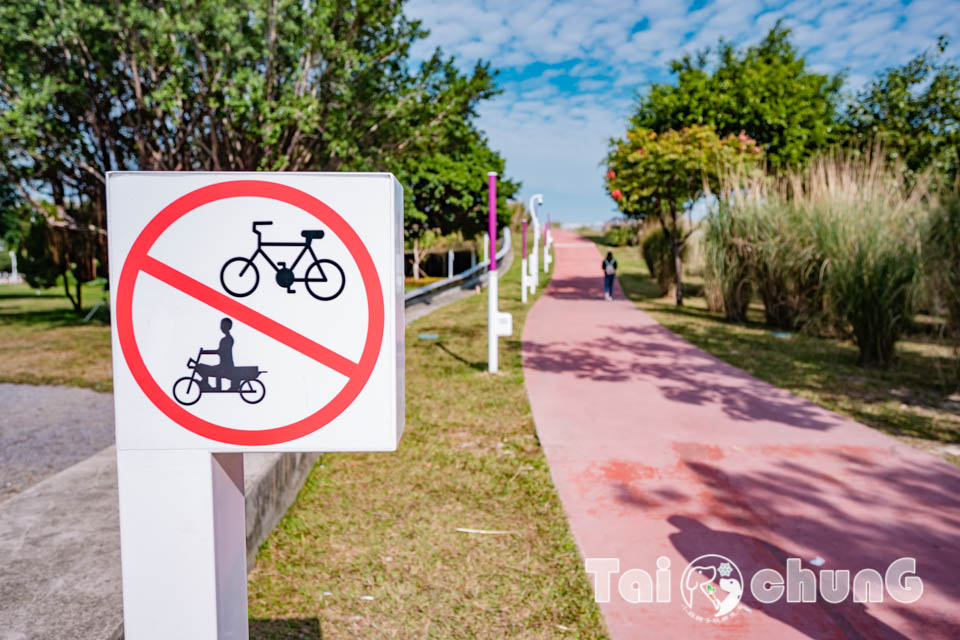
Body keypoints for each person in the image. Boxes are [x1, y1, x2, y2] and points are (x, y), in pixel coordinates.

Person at [195, 317, 236, 389]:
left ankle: (206, 384)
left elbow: (221, 351)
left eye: (223, 325)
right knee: (201, 367)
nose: (222, 327)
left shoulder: (227, 339)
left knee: (200, 367)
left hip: (225, 366)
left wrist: (204, 352)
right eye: (221, 325)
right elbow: (220, 351)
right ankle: (205, 383)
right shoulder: (227, 339)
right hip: (223, 365)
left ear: (229, 327)